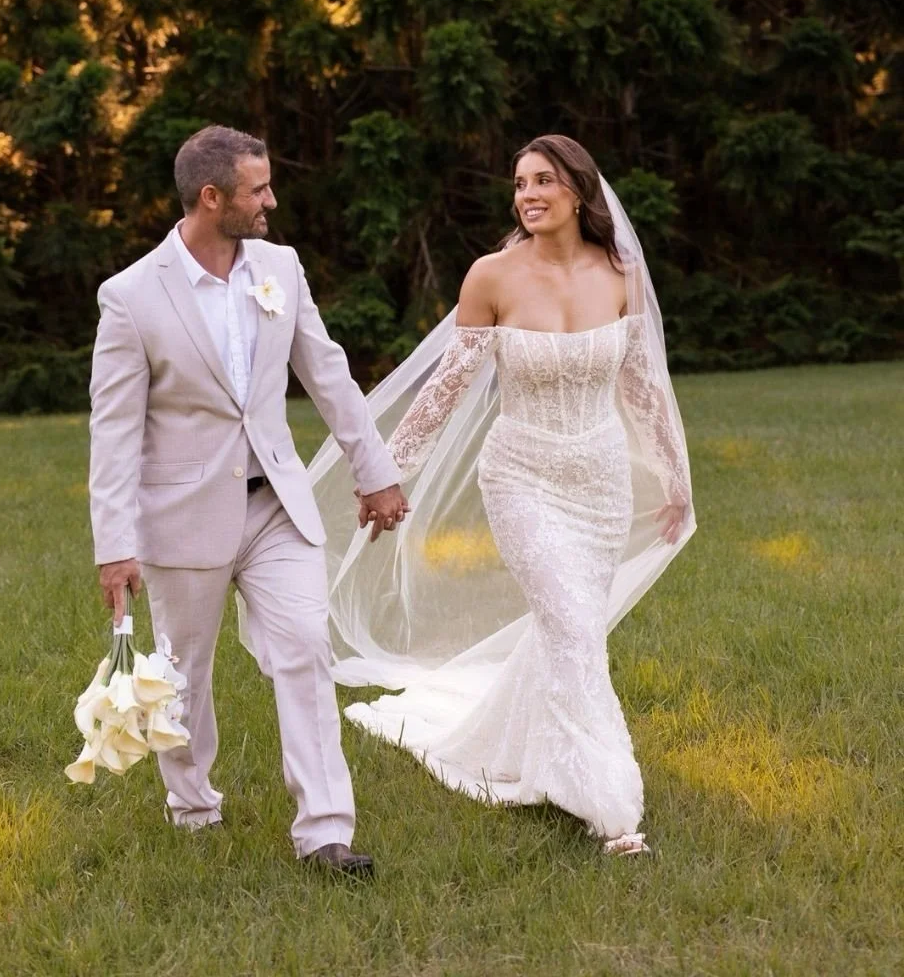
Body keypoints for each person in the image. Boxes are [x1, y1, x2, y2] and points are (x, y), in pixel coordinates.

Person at [309, 135, 695, 856]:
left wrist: (675, 475)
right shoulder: (491, 276)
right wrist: (387, 470)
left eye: (544, 180)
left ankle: (526, 743)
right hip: (522, 478)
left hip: (600, 482)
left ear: (579, 190)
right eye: (520, 184)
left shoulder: (619, 273)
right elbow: (445, 390)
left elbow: (641, 384)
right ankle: (610, 807)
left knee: (570, 628)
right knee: (575, 627)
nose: (528, 195)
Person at [88, 124, 408, 876]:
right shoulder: (131, 297)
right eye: (257, 189)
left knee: (304, 649)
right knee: (183, 672)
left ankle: (326, 832)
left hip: (275, 508)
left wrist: (377, 470)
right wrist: (113, 544)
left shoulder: (281, 267)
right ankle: (193, 807)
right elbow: (113, 431)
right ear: (211, 198)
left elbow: (327, 374)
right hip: (182, 516)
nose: (271, 200)